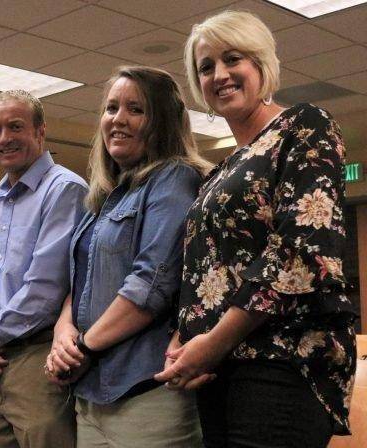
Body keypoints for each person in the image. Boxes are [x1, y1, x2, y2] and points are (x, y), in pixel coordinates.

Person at [154, 10, 357, 447]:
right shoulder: (219, 171)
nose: (219, 75)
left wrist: (210, 342)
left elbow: (299, 253)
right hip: (218, 367)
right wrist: (185, 338)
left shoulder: (303, 127)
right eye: (206, 67)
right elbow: (206, 269)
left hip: (282, 362)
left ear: (262, 64)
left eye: (233, 59)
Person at [45, 67, 209, 447]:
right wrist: (63, 332)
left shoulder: (174, 179)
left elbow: (149, 285)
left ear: (162, 122)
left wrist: (84, 346)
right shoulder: (103, 196)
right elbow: (81, 278)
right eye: (111, 108)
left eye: (135, 109)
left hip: (146, 394)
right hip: (91, 396)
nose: (117, 119)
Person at [0, 90, 88, 448]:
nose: (4, 139)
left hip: (36, 359)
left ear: (41, 132)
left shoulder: (65, 191)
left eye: (15, 127)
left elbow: (44, 291)